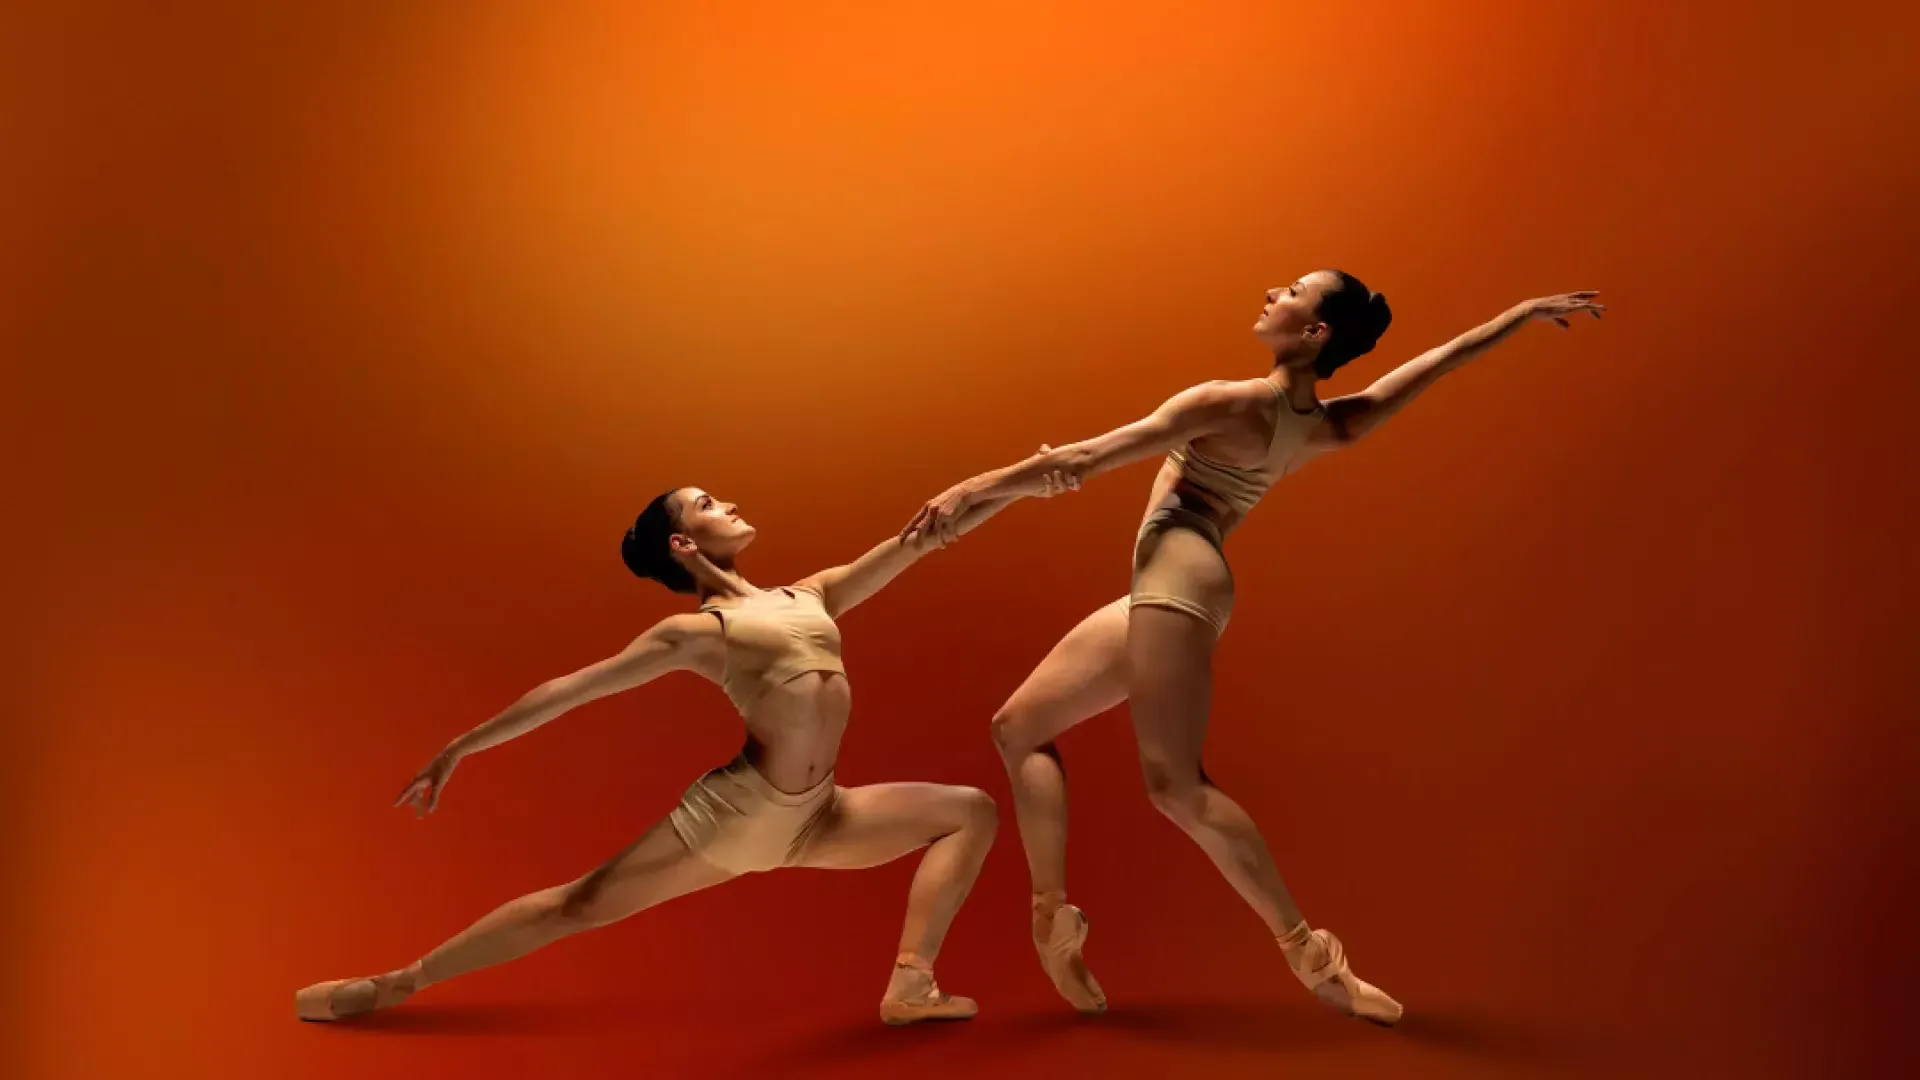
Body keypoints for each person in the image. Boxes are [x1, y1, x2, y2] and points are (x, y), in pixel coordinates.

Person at [903, 273, 1605, 1025]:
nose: (1275, 290)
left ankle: (1314, 959)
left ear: (1315, 334)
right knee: (1019, 728)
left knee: (1176, 787)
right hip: (1170, 582)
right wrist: (1517, 314)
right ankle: (1053, 919)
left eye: (1296, 291)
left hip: (1179, 578)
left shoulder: (1229, 402)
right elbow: (1433, 365)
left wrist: (971, 490)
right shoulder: (1327, 421)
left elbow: (1084, 460)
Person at [295, 469, 1068, 1027]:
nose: (730, 504)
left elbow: (920, 539)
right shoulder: (699, 633)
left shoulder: (809, 594)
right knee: (579, 904)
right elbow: (573, 688)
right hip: (739, 813)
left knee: (969, 812)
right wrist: (461, 745)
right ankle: (402, 981)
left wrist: (1015, 481)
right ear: (682, 541)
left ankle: (910, 984)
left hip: (819, 816)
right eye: (708, 503)